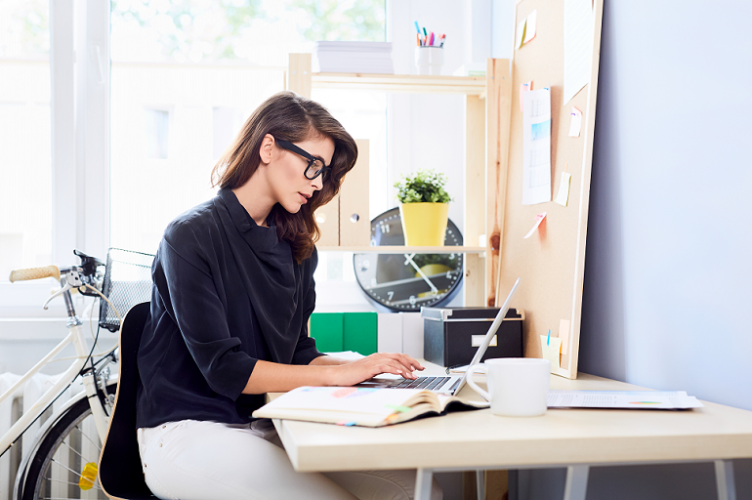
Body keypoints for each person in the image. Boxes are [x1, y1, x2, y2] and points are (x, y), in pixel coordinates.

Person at [135, 91, 443, 500]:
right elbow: (225, 369)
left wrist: (370, 370)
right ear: (268, 147)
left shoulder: (298, 246)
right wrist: (336, 374)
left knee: (418, 490)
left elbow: (296, 351)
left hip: (266, 419)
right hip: (187, 430)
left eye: (324, 172)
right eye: (312, 166)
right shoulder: (190, 235)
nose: (317, 184)